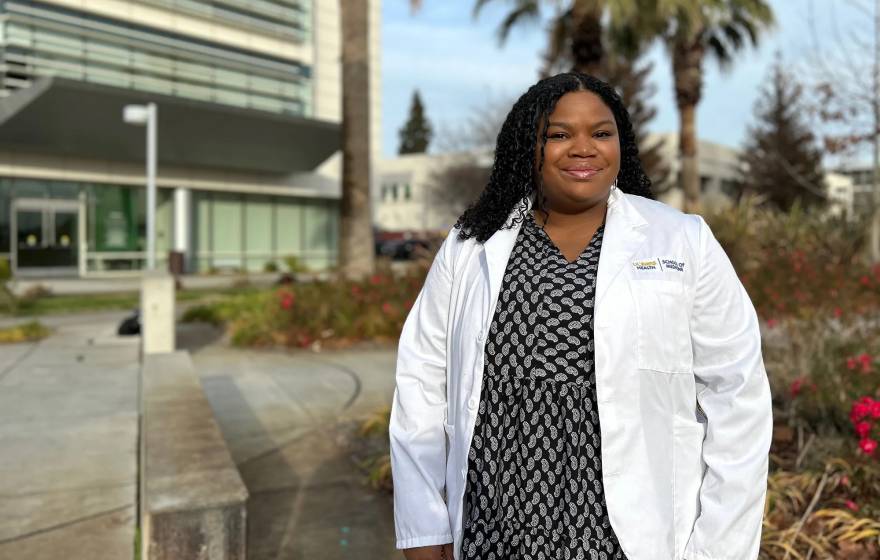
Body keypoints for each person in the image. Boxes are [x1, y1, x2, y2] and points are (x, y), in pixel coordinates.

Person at [389, 72, 772, 560]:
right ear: (527, 146)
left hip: (629, 537)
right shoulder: (472, 245)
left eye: (601, 132)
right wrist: (423, 526)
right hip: (496, 531)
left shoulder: (681, 240)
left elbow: (738, 398)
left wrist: (720, 548)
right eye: (559, 134)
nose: (583, 148)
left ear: (621, 144)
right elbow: (422, 383)